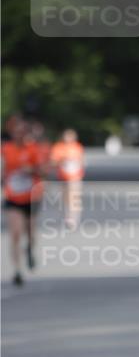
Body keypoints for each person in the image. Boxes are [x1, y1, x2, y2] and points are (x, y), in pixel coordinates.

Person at [1, 119, 45, 285]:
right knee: (15, 233)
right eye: (16, 132)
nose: (19, 135)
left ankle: (29, 250)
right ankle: (17, 270)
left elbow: (43, 170)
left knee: (31, 233)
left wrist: (31, 169)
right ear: (12, 134)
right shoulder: (6, 149)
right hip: (13, 198)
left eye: (22, 132)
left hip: (31, 198)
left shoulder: (33, 150)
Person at [50, 129, 85, 230]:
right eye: (66, 136)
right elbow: (53, 162)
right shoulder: (58, 147)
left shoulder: (77, 147)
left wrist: (78, 165)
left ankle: (74, 218)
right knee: (66, 198)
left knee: (75, 197)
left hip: (75, 176)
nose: (68, 138)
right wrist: (62, 161)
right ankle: (67, 215)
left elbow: (81, 161)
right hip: (63, 177)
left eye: (70, 136)